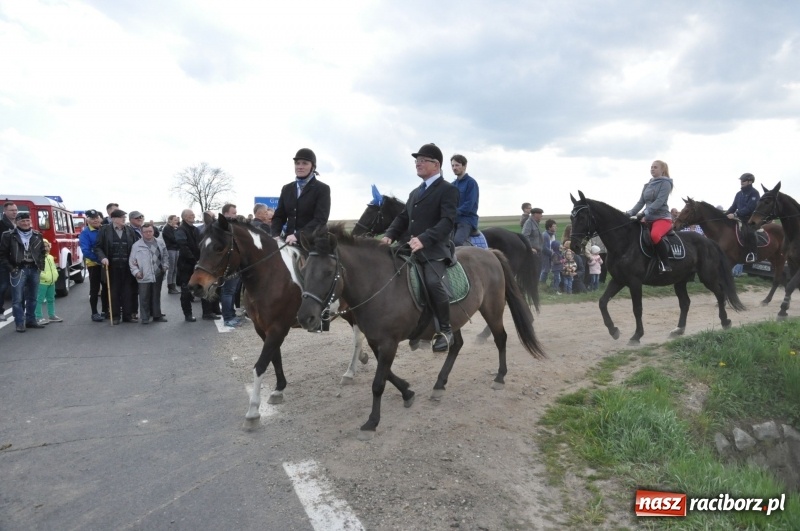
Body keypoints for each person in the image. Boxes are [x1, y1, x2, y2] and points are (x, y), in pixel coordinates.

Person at [382, 143, 458, 352]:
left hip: (434, 249)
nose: (418, 163)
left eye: (423, 160)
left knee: (433, 283)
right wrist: (389, 234)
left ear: (436, 165)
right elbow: (403, 217)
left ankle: (445, 330)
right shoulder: (415, 192)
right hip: (410, 247)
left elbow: (447, 222)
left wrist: (425, 238)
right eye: (417, 160)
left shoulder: (448, 190)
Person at [271, 148, 331, 246]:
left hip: (312, 242)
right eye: (297, 163)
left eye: (304, 163)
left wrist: (298, 235)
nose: (300, 166)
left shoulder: (322, 189)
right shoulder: (287, 188)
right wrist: (275, 235)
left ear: (313, 167)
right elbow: (278, 216)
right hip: (288, 241)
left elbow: (320, 219)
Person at [625, 160, 675, 273]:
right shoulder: (647, 185)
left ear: (662, 170)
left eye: (655, 167)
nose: (652, 169)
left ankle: (666, 264)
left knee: (655, 235)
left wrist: (644, 213)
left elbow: (659, 201)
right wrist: (630, 213)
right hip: (647, 218)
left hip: (662, 218)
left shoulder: (666, 183)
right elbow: (640, 202)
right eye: (651, 167)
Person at [0, 211, 46, 332]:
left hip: (34, 269)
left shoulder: (37, 234)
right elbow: (2, 255)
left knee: (33, 297)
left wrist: (40, 266)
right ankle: (19, 323)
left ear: (30, 221)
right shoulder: (8, 235)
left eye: (27, 221)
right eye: (22, 221)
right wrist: (11, 268)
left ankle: (31, 320)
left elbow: (42, 252)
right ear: (16, 222)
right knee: (18, 299)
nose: (25, 223)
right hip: (18, 269)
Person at [93, 209, 139, 324]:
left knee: (128, 291)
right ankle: (116, 316)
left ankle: (128, 316)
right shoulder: (104, 230)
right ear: (114, 219)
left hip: (127, 267)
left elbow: (136, 247)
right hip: (111, 267)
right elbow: (97, 247)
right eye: (121, 217)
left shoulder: (130, 230)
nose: (124, 219)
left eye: (124, 217)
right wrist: (103, 257)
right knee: (114, 291)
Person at [175, 209, 218, 322]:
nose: (193, 216)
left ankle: (207, 312)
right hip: (186, 265)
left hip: (199, 264)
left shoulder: (196, 229)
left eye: (193, 215)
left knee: (204, 286)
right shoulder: (181, 230)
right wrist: (195, 261)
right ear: (184, 217)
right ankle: (188, 314)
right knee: (186, 291)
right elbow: (183, 247)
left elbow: (202, 245)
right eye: (190, 215)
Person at [129, 223, 169, 324]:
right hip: (143, 275)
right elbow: (132, 262)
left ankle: (157, 315)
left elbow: (165, 255)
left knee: (156, 296)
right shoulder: (136, 245)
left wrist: (165, 266)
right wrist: (136, 272)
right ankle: (145, 317)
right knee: (144, 297)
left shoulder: (160, 242)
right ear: (142, 233)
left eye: (150, 231)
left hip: (158, 273)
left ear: (153, 231)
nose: (148, 233)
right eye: (145, 232)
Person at [79, 209, 109, 321]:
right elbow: (86, 251)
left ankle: (105, 310)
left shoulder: (105, 229)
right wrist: (100, 259)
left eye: (97, 218)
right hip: (94, 264)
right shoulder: (85, 233)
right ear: (87, 220)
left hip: (106, 263)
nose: (95, 220)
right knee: (95, 289)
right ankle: (94, 312)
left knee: (106, 287)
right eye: (92, 218)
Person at [725, 173, 761, 263]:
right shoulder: (738, 194)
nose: (741, 182)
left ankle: (753, 253)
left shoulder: (754, 193)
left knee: (749, 232)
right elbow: (733, 207)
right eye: (741, 180)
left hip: (750, 219)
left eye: (743, 180)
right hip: (739, 218)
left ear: (750, 181)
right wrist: (725, 215)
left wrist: (735, 215)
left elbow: (750, 208)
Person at [219, 203, 244, 328]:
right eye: (233, 212)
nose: (236, 214)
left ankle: (232, 314)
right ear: (226, 214)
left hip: (236, 264)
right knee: (228, 291)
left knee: (232, 291)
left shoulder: (232, 226)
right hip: (229, 265)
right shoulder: (224, 228)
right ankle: (228, 318)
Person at [450, 154, 480, 246]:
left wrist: (454, 212)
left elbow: (469, 204)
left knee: (457, 242)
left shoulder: (471, 183)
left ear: (464, 166)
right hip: (452, 220)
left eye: (457, 165)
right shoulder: (452, 185)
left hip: (466, 220)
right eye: (453, 165)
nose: (454, 168)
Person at [35, 239, 62, 325]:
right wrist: (45, 276)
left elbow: (54, 268)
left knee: (51, 299)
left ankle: (52, 315)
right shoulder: (38, 257)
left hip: (51, 282)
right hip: (42, 282)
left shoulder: (50, 257)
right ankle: (38, 317)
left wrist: (55, 275)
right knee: (39, 300)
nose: (46, 248)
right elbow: (37, 270)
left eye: (47, 246)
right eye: (44, 246)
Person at [0, 201, 18, 321]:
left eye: (16, 210)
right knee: (3, 286)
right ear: (5, 211)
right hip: (3, 260)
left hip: (17, 260)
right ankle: (0, 311)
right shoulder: (1, 225)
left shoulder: (18, 224)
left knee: (18, 287)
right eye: (11, 210)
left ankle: (18, 312)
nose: (14, 212)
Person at [161, 214, 181, 294]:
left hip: (176, 249)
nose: (177, 221)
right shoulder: (166, 228)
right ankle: (170, 287)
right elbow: (173, 239)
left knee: (175, 269)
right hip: (170, 249)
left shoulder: (173, 228)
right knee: (171, 269)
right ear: (170, 220)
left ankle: (174, 286)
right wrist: (177, 232)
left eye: (177, 220)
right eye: (175, 220)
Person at [539, 219, 557, 283]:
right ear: (549, 227)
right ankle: (541, 284)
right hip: (545, 255)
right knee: (545, 270)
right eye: (554, 226)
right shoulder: (545, 235)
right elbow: (544, 248)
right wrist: (552, 253)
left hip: (552, 255)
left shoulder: (554, 234)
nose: (556, 227)